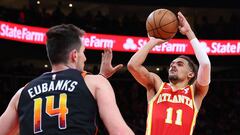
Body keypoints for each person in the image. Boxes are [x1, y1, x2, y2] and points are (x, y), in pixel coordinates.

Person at [0, 24, 134, 135]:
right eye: (83, 52)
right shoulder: (95, 83)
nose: (85, 58)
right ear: (74, 55)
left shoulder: (22, 92)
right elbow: (119, 131)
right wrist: (101, 79)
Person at [127, 12, 211, 135]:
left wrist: (189, 32)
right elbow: (132, 66)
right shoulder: (157, 85)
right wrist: (153, 42)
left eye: (180, 64)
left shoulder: (195, 92)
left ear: (191, 74)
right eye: (172, 64)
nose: (173, 65)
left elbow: (205, 64)